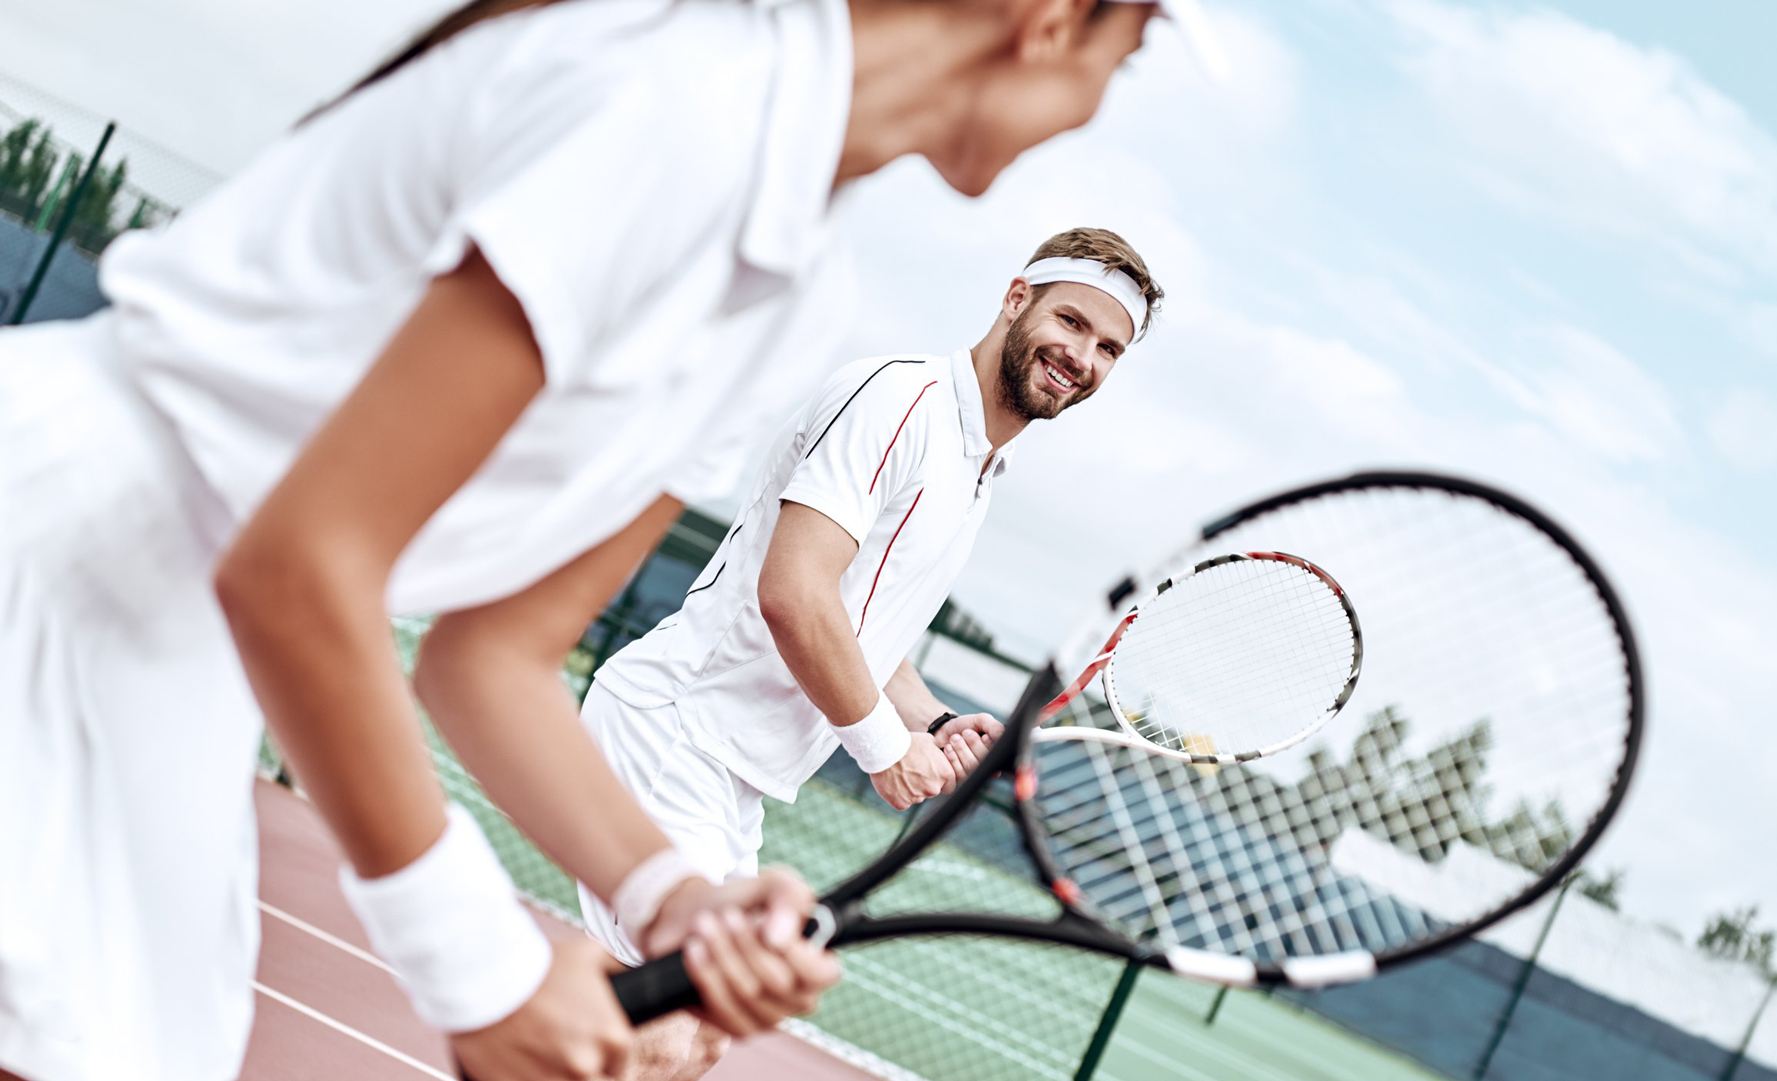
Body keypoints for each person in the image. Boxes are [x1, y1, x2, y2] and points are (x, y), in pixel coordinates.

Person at [0, 2, 1222, 1079]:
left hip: (166, 631)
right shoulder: (684, 108)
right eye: (1134, 48)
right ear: (1053, 21)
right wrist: (479, 973)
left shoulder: (790, 290)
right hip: (57, 549)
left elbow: (487, 657)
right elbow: (297, 560)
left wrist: (676, 902)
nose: (1097, 112)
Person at [575, 227, 1164, 1077]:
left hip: (732, 771)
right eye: (1072, 322)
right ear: (1015, 298)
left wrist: (934, 717)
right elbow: (796, 592)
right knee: (666, 1029)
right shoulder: (902, 403)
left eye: (1109, 347)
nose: (1083, 356)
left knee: (694, 1033)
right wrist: (887, 749)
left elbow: (863, 625)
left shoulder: (978, 467)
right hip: (674, 734)